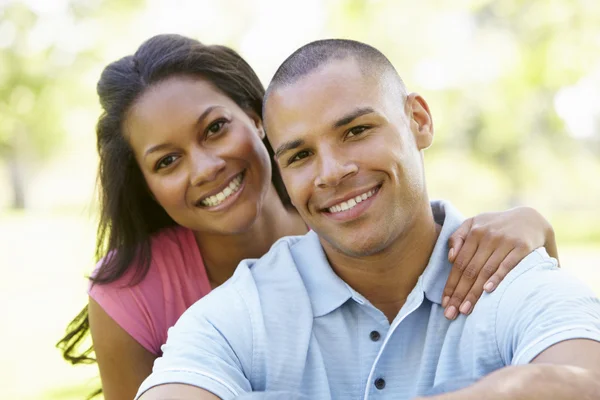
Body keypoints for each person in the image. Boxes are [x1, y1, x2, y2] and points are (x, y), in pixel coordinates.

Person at [56, 34, 559, 400]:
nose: (206, 167)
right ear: (145, 183)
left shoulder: (350, 217)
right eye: (167, 161)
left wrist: (537, 230)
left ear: (259, 122)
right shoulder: (134, 292)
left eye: (214, 129)